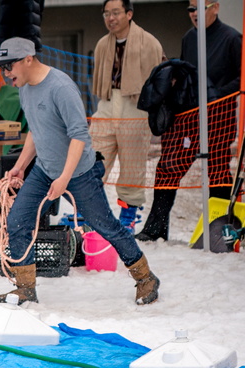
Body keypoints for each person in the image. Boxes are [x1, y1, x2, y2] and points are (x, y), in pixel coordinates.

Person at [0, 38, 161, 306]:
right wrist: (21, 166)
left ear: (28, 59)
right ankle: (25, 288)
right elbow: (36, 129)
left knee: (106, 226)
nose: (6, 73)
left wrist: (64, 179)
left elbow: (79, 135)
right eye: (1, 68)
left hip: (80, 173)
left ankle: (146, 278)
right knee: (17, 222)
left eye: (8, 66)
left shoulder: (60, 87)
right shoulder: (23, 88)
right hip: (45, 170)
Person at [136, 0, 241, 242]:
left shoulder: (232, 38)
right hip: (190, 118)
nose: (194, 13)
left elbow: (241, 79)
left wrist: (215, 95)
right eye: (190, 9)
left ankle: (220, 233)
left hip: (218, 117)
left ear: (215, 7)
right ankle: (155, 229)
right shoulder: (189, 38)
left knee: (217, 171)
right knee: (168, 167)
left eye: (199, 8)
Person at [89, 0, 164, 230]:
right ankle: (87, 216)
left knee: (133, 164)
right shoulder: (103, 44)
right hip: (108, 101)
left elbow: (162, 75)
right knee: (92, 156)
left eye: (116, 13)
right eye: (106, 14)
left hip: (136, 104)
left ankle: (128, 218)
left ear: (129, 14)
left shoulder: (149, 42)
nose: (110, 18)